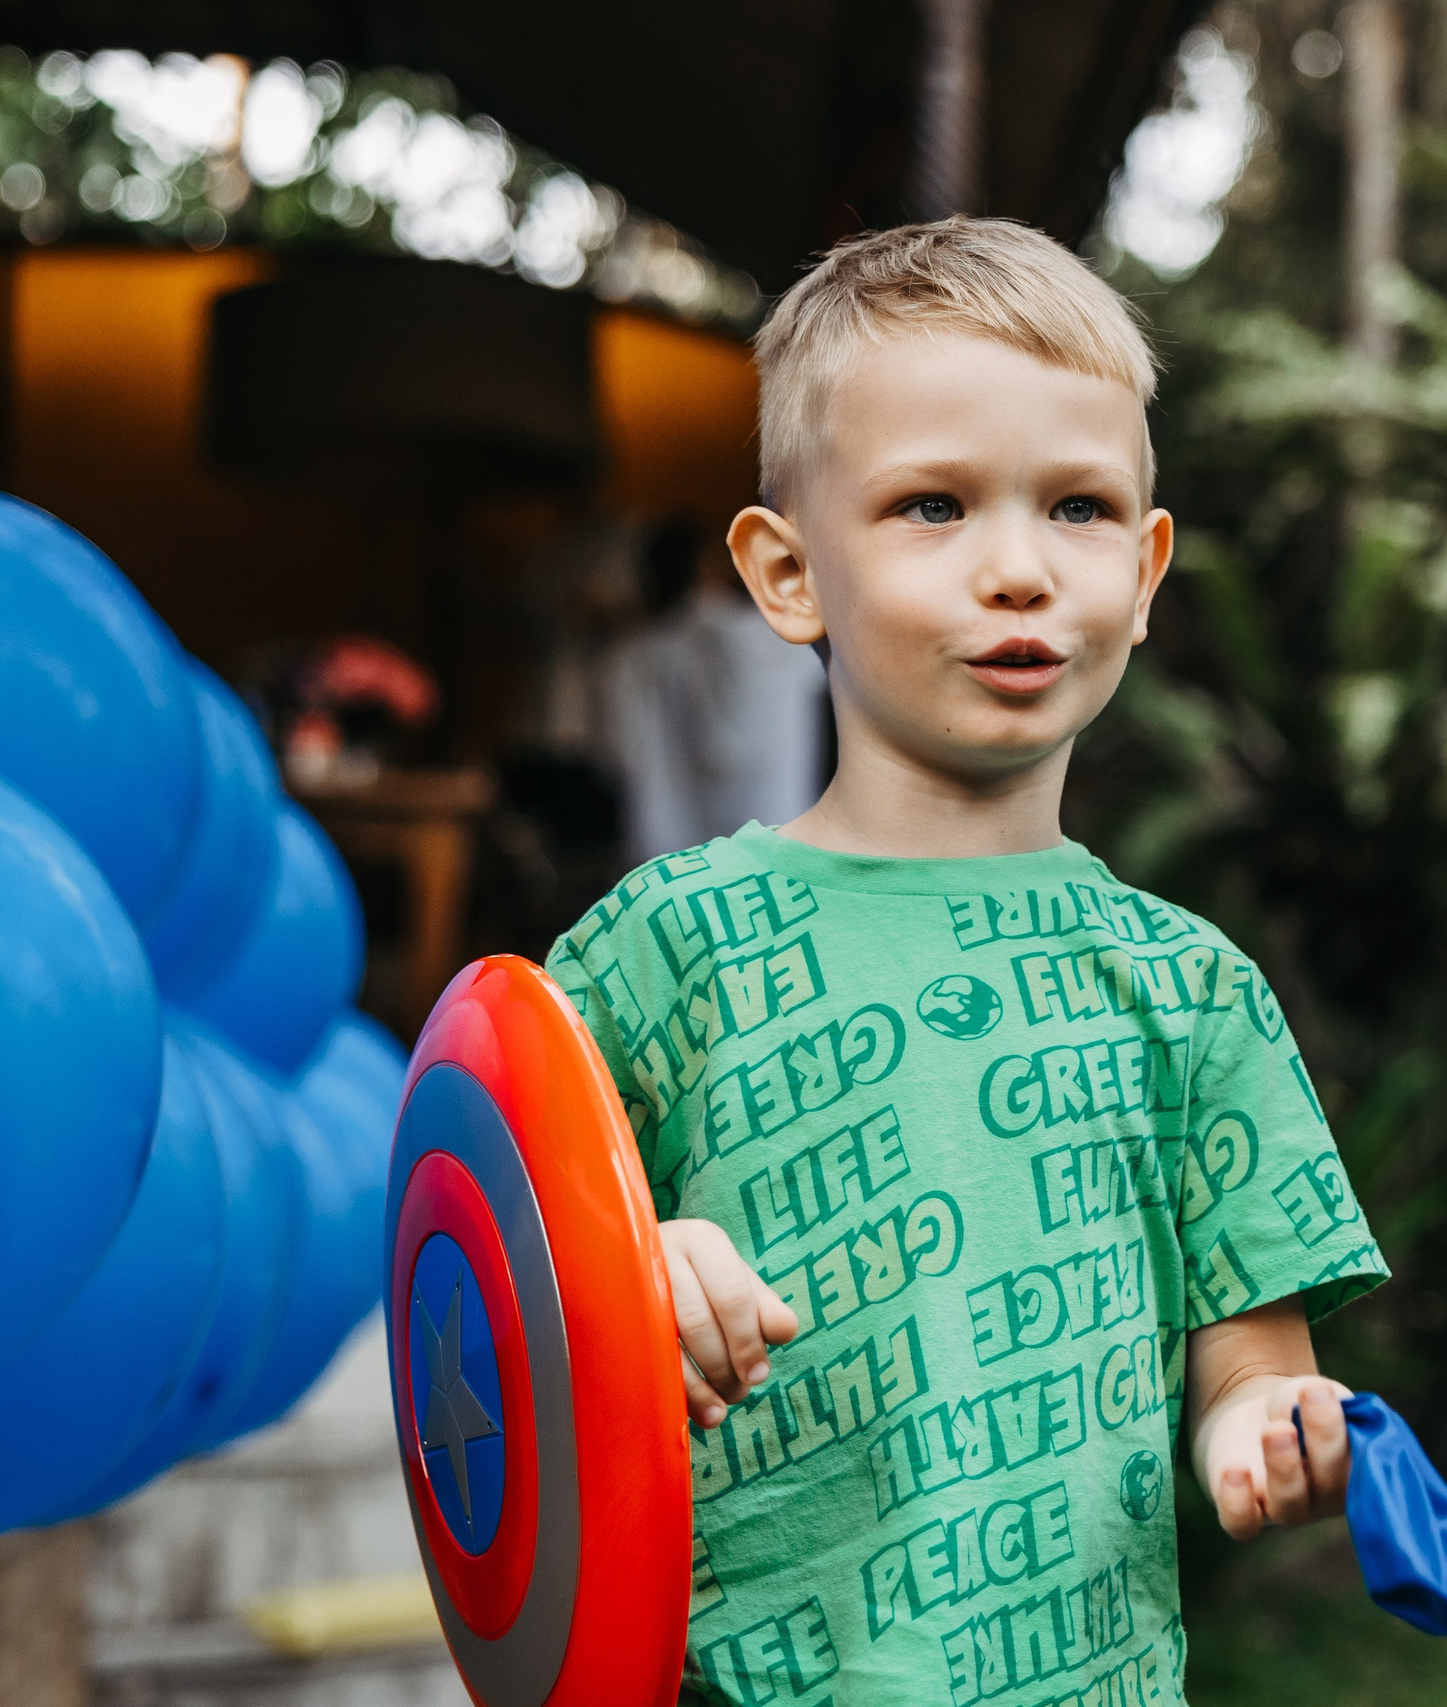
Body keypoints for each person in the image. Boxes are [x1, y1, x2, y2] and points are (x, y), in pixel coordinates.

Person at [544, 217, 1388, 1707]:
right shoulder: (662, 950)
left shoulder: (1188, 988)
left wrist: (1267, 1427)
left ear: (1144, 569)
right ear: (789, 574)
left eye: (1076, 508)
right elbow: (467, 1275)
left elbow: (1252, 1364)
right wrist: (620, 1264)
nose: (1017, 568)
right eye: (932, 505)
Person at [603, 518, 832, 863]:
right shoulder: (783, 637)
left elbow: (614, 756)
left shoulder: (630, 657)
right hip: (774, 851)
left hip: (671, 865)